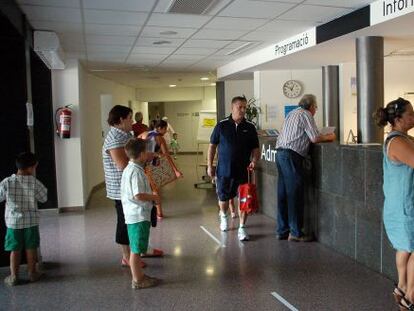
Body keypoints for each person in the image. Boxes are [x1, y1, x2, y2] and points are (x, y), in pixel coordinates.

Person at [275, 94, 335, 242]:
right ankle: (295, 232)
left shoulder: (292, 113)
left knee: (283, 194)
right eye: (316, 107)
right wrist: (329, 137)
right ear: (311, 106)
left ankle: (282, 230)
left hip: (280, 154)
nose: (316, 110)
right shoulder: (306, 114)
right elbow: (314, 138)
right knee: (295, 194)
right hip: (291, 156)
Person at [374, 98, 414, 310]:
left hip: (400, 205)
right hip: (405, 207)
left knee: (405, 249)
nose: (413, 118)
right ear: (397, 119)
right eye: (410, 114)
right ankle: (410, 297)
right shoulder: (398, 142)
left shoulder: (401, 138)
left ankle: (402, 287)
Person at [207, 96, 260, 241]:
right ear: (232, 108)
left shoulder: (249, 127)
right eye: (240, 107)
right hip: (224, 170)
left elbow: (256, 147)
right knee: (223, 198)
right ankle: (223, 216)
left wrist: (255, 160)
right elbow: (212, 146)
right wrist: (209, 165)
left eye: (245, 107)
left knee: (244, 200)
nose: (243, 110)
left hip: (243, 171)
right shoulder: (222, 125)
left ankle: (242, 228)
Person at [0, 152, 48, 286]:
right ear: (32, 167)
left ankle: (14, 276)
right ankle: (32, 273)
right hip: (31, 222)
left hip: (13, 223)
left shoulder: (7, 182)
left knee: (14, 249)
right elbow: (44, 198)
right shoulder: (34, 182)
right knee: (31, 247)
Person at [121, 138, 161, 289]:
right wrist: (154, 197)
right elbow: (138, 195)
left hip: (133, 215)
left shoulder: (130, 168)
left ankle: (140, 276)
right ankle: (138, 280)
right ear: (142, 154)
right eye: (146, 151)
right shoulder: (136, 173)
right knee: (136, 251)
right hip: (138, 215)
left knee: (136, 248)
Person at [139, 119, 183, 219]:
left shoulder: (144, 134)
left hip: (140, 166)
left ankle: (145, 213)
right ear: (159, 128)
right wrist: (175, 170)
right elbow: (167, 155)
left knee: (143, 189)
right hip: (151, 167)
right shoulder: (159, 138)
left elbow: (135, 145)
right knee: (155, 190)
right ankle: (159, 213)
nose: (166, 131)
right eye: (165, 129)